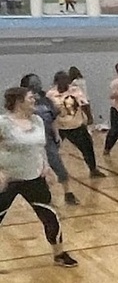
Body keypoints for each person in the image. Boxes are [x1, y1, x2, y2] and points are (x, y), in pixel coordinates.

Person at [0, 87, 77, 267]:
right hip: (8, 180)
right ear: (19, 102)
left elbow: (39, 147)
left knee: (50, 216)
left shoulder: (37, 121)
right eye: (30, 97)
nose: (34, 99)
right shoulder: (3, 123)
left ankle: (59, 254)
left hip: (34, 179)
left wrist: (46, 166)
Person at [20, 74, 76, 206]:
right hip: (31, 142)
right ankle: (45, 197)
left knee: (58, 166)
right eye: (34, 82)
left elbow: (54, 118)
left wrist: (56, 135)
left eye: (38, 81)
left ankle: (68, 193)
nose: (37, 84)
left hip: (48, 140)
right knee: (39, 171)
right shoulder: (22, 102)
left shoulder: (46, 100)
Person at [46, 70, 103, 179]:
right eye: (62, 79)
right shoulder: (51, 94)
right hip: (59, 127)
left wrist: (89, 117)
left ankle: (93, 169)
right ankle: (48, 173)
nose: (65, 82)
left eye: (66, 79)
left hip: (76, 125)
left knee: (87, 148)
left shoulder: (75, 90)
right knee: (52, 150)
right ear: (56, 81)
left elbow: (84, 104)